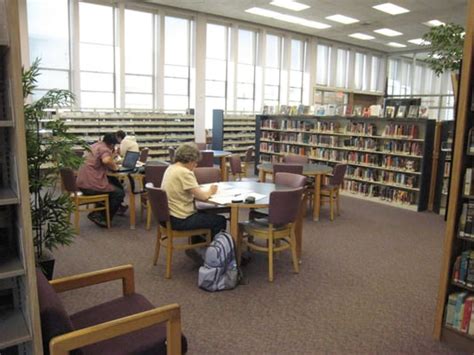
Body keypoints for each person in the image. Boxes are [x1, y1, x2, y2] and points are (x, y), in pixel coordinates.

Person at [161, 143, 227, 262]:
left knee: (202, 213)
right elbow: (203, 197)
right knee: (219, 220)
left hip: (168, 217)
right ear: (189, 160)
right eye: (195, 162)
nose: (195, 166)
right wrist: (211, 190)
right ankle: (214, 257)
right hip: (180, 219)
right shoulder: (184, 172)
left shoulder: (171, 168)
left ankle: (198, 249)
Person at [76, 133, 126, 227]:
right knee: (119, 193)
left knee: (113, 182)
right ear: (112, 144)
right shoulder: (104, 149)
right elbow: (106, 160)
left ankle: (103, 210)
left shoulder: (94, 145)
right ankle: (101, 216)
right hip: (91, 185)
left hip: (82, 182)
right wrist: (115, 167)